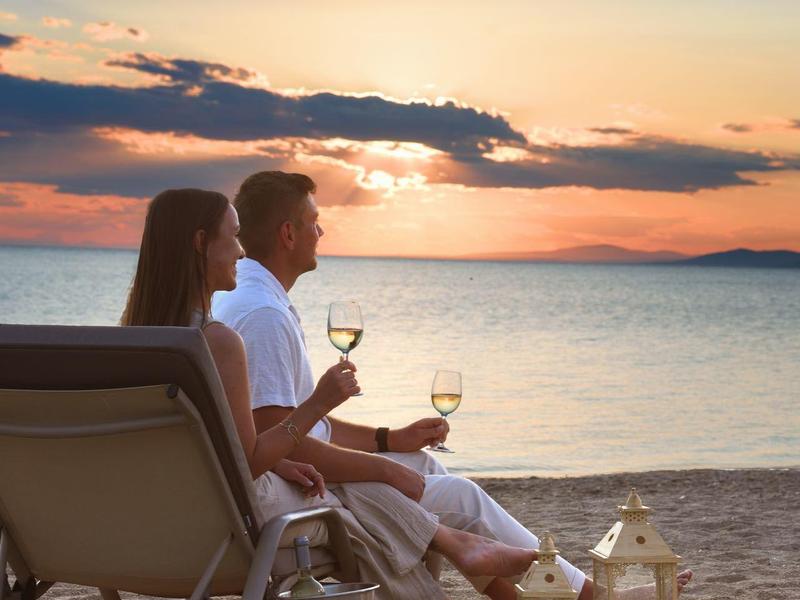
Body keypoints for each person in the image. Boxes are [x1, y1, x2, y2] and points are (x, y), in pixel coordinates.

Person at [211, 173, 693, 599]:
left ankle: (533, 595)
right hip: (291, 492)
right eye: (314, 221)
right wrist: (380, 470)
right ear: (288, 233)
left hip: (290, 475)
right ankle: (588, 598)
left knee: (423, 462)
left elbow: (300, 422)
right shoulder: (264, 316)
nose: (322, 232)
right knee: (459, 495)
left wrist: (388, 440)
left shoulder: (257, 303)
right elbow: (279, 437)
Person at [121, 188, 545, 600]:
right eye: (232, 236)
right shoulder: (217, 340)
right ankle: (461, 546)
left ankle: (461, 546)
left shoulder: (130, 341)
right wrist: (318, 405)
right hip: (229, 517)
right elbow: (248, 459)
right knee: (354, 484)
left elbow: (203, 447)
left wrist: (293, 459)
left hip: (153, 520)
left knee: (348, 475)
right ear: (200, 243)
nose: (240, 251)